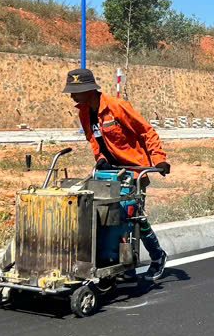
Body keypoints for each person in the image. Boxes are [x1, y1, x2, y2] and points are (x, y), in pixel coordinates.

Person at [62, 67, 171, 280]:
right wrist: (100, 158)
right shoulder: (84, 111)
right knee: (104, 214)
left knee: (132, 215)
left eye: (77, 91)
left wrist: (159, 159)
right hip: (109, 173)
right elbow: (93, 139)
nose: (72, 96)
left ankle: (158, 256)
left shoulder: (117, 106)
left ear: (90, 90)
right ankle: (116, 261)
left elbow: (146, 131)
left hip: (133, 170)